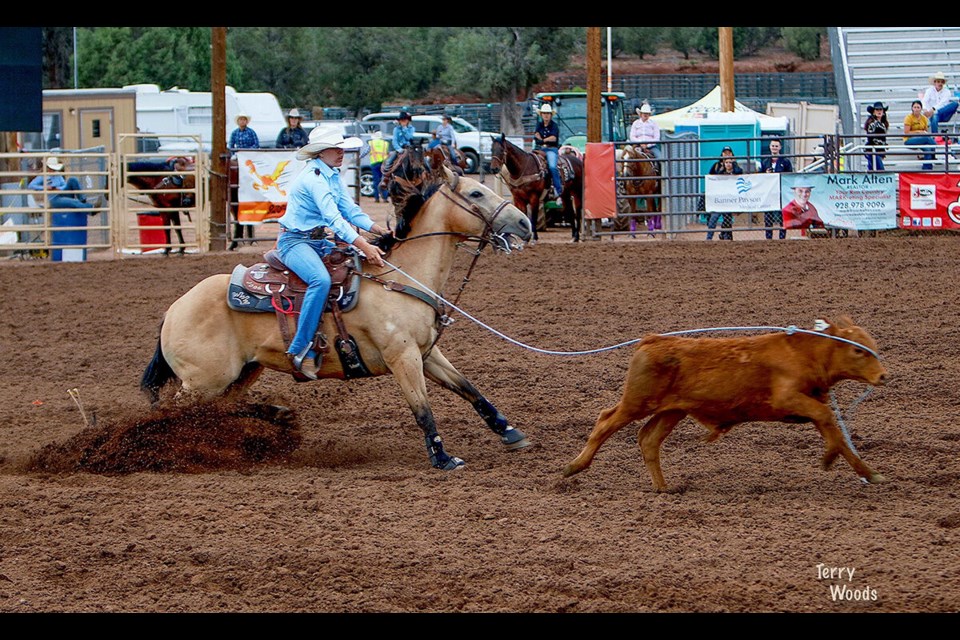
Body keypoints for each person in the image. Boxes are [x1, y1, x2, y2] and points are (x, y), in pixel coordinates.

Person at [275, 127, 390, 380]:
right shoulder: (314, 179)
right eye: (336, 149)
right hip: (293, 242)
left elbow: (350, 210)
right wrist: (365, 245)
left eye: (342, 148)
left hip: (316, 241)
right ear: (320, 152)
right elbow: (335, 219)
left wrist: (377, 229)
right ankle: (300, 349)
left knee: (352, 266)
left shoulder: (331, 175)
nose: (341, 153)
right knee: (321, 280)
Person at [27, 156, 95, 214]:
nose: (53, 170)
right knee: (74, 202)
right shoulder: (43, 176)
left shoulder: (58, 175)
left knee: (73, 179)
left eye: (53, 169)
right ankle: (91, 209)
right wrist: (45, 187)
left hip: (62, 193)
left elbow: (64, 185)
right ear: (47, 168)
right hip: (53, 198)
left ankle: (82, 200)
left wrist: (59, 188)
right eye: (51, 168)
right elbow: (31, 185)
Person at [705, 146, 742, 240]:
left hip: (729, 198)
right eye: (725, 153)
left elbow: (739, 172)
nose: (727, 154)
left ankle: (725, 236)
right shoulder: (717, 166)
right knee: (714, 218)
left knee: (727, 218)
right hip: (718, 197)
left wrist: (734, 163)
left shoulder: (736, 167)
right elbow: (711, 177)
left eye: (729, 153)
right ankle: (709, 238)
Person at [760, 138, 793, 239]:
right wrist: (766, 174)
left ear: (780, 148)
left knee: (781, 215)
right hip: (769, 192)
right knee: (768, 215)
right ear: (770, 147)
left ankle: (782, 237)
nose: (774, 148)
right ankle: (768, 237)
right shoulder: (765, 162)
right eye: (773, 146)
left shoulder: (786, 162)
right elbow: (760, 177)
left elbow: (789, 175)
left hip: (781, 191)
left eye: (776, 146)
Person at [533, 103, 563, 206]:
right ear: (541, 115)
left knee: (552, 167)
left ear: (551, 115)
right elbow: (536, 135)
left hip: (551, 149)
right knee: (532, 164)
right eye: (544, 113)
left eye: (548, 113)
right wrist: (543, 140)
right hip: (540, 149)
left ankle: (558, 192)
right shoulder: (539, 124)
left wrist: (542, 140)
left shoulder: (554, 126)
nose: (546, 115)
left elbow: (553, 138)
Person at [380, 111, 416, 189]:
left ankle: (426, 175)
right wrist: (399, 149)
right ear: (399, 121)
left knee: (420, 161)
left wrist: (404, 129)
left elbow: (409, 137)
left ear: (408, 120)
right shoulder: (396, 129)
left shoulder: (411, 128)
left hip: (409, 148)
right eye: (401, 120)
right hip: (400, 149)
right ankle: (385, 179)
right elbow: (394, 141)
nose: (403, 122)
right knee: (389, 162)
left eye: (405, 120)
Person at [904, 99, 936, 170]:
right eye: (914, 107)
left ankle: (927, 168)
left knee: (927, 149)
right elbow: (906, 132)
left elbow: (925, 132)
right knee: (928, 139)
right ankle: (934, 154)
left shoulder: (924, 118)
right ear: (912, 108)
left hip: (921, 139)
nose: (916, 109)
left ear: (921, 109)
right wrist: (918, 132)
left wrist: (922, 133)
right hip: (909, 139)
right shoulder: (908, 118)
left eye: (918, 107)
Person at [863, 101, 889, 172]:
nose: (879, 111)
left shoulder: (883, 123)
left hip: (877, 150)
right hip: (873, 149)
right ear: (873, 112)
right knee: (880, 170)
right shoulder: (872, 123)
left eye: (880, 109)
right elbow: (871, 138)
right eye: (877, 110)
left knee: (873, 170)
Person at [367, 129, 391, 203]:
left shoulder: (371, 143)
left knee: (376, 181)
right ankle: (385, 198)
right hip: (383, 164)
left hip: (374, 163)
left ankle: (377, 198)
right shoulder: (385, 143)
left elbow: (366, 151)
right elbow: (388, 153)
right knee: (384, 180)